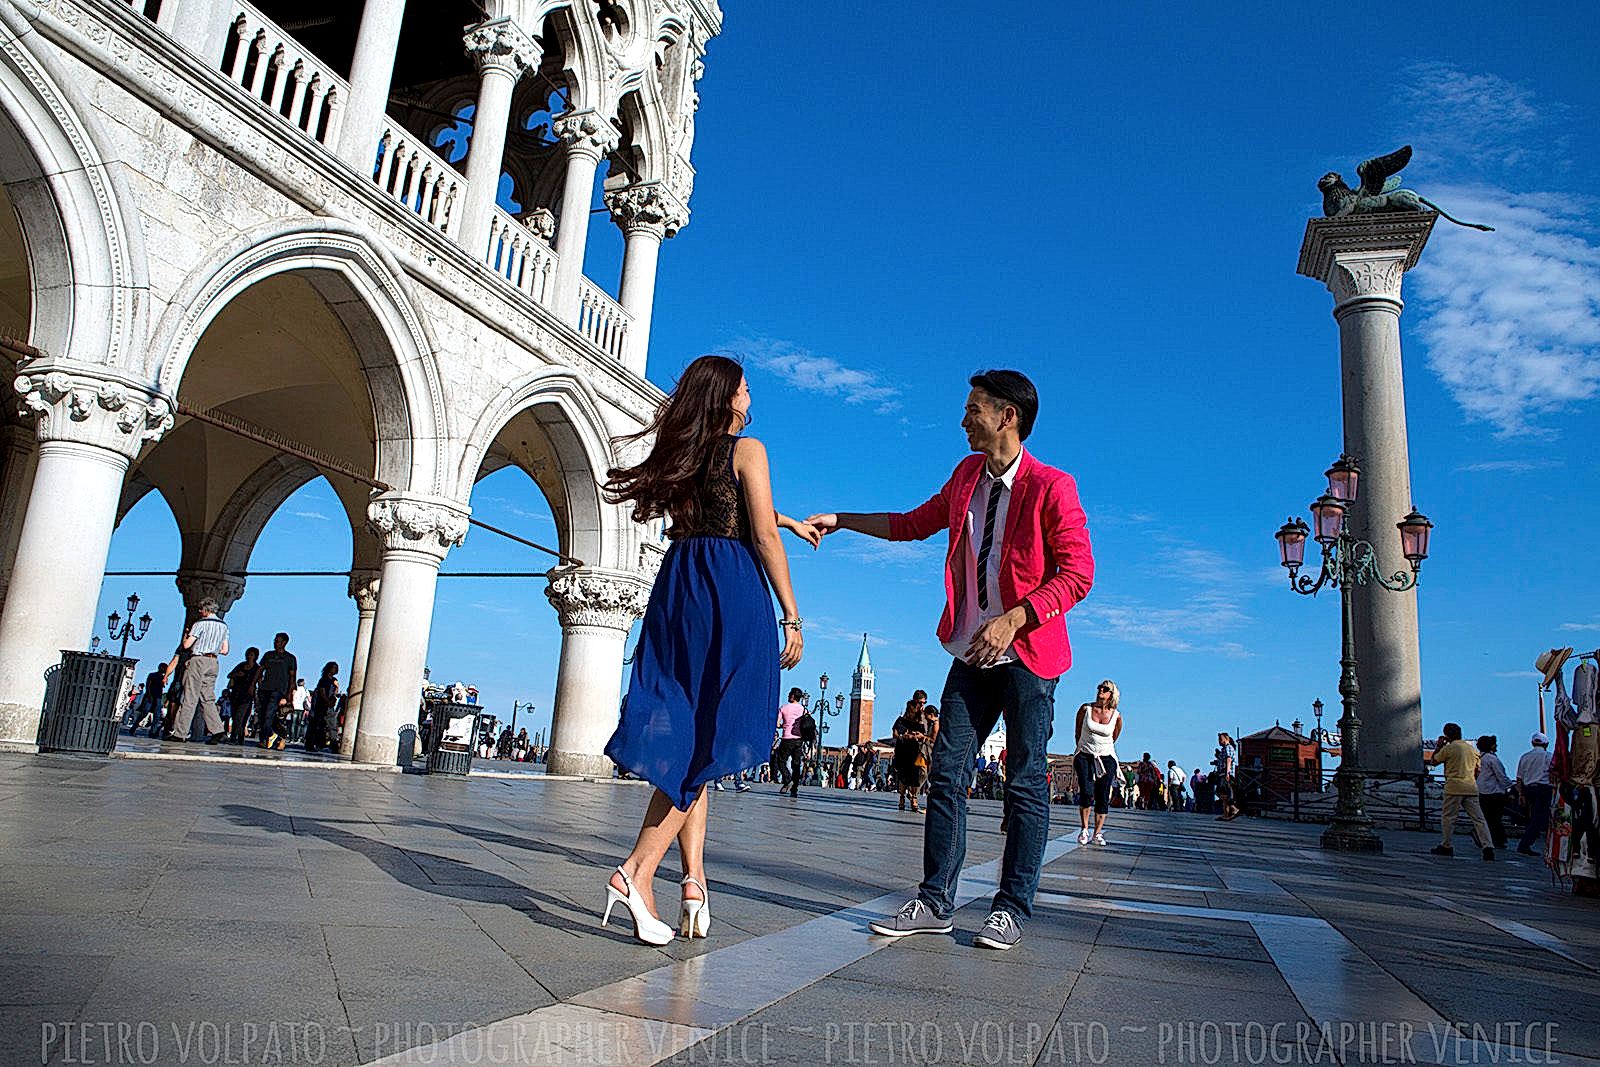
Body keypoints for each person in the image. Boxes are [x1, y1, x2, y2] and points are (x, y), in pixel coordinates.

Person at [812, 368, 1095, 951]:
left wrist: (1015, 618)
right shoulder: (967, 474)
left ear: (1006, 417)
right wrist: (842, 520)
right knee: (946, 773)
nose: (963, 419)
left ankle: (1011, 907)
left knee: (1023, 783)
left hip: (1028, 658)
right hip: (970, 651)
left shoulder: (1052, 487)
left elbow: (1078, 575)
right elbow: (913, 524)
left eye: (974, 409)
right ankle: (935, 900)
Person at [599, 354, 817, 946]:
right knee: (712, 738)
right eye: (746, 388)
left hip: (680, 586)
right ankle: (635, 871)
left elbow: (742, 509)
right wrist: (792, 614)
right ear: (726, 398)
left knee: (693, 732)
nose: (751, 397)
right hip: (730, 586)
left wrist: (787, 519)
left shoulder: (685, 453)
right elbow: (758, 532)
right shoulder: (750, 450)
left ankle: (693, 879)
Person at [165, 598, 229, 744]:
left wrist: (187, 636)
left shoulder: (200, 624)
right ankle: (218, 730)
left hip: (198, 660)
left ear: (206, 610)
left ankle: (180, 733)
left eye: (201, 609)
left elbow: (187, 645)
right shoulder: (223, 626)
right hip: (213, 662)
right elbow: (225, 650)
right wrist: (212, 648)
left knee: (189, 697)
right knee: (208, 698)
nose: (200, 612)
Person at [1429, 723, 1494, 860]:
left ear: (1447, 735)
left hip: (1454, 786)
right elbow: (1478, 770)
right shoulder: (1473, 750)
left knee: (1449, 818)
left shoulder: (1449, 749)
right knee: (1479, 819)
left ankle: (1446, 845)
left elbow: (1434, 761)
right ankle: (1488, 846)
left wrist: (1440, 745)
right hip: (1471, 787)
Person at [1073, 680, 1121, 845]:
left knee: (1103, 794)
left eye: (1105, 688)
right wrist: (1082, 747)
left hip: (1107, 757)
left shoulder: (1116, 715)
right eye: (1099, 687)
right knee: (1086, 791)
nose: (1101, 690)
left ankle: (1097, 833)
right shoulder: (1085, 709)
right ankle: (1084, 829)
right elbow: (1077, 731)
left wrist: (1102, 749)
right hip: (1085, 754)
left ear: (1111, 694)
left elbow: (1114, 736)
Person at [1515, 732, 1553, 856]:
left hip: (1528, 789)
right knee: (1539, 818)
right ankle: (1525, 844)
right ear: (1546, 744)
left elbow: (1519, 778)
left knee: (1533, 817)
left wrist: (1521, 794)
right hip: (1544, 789)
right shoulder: (1548, 757)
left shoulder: (1524, 757)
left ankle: (1528, 840)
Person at [255, 633, 296, 747]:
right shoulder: (268, 655)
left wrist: (289, 695)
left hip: (278, 690)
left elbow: (292, 677)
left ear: (284, 643)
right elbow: (260, 670)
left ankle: (265, 739)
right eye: (275, 641)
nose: (275, 643)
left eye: (278, 641)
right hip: (265, 688)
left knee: (270, 713)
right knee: (262, 715)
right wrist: (255, 684)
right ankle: (272, 735)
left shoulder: (290, 658)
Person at [892, 700, 933, 812]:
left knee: (917, 775)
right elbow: (895, 733)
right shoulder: (901, 720)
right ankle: (902, 798)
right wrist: (905, 736)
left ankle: (913, 796)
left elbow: (927, 734)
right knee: (903, 775)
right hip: (903, 750)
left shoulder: (921, 721)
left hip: (916, 751)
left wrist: (919, 736)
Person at [1475, 735, 1511, 850]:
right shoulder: (1492, 759)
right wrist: (1510, 787)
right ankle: (1497, 840)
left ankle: (1486, 838)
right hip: (1494, 792)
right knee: (1495, 818)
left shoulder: (1479, 758)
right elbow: (1501, 775)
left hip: (1481, 791)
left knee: (1487, 817)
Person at [773, 688, 807, 797]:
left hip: (787, 738)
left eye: (789, 694)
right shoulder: (803, 710)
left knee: (781, 761)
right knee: (796, 764)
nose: (788, 696)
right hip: (798, 740)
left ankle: (787, 779)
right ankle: (794, 789)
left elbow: (777, 724)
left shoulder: (783, 708)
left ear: (792, 696)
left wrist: (784, 725)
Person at [223, 647, 261, 744]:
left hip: (247, 695)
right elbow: (229, 675)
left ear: (255, 656)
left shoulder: (257, 668)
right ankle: (239, 737)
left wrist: (257, 697)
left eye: (251, 655)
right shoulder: (241, 665)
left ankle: (235, 737)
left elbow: (259, 682)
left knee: (240, 717)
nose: (249, 656)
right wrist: (236, 674)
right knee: (235, 716)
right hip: (236, 693)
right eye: (248, 654)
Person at [305, 662, 339, 753]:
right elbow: (322, 691)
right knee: (315, 724)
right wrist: (327, 701)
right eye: (333, 667)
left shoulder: (334, 680)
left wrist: (336, 688)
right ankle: (310, 743)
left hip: (328, 705)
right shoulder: (324, 680)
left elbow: (335, 693)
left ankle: (331, 743)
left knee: (330, 724)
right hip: (320, 705)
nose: (335, 669)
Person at [129, 663, 168, 736]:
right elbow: (148, 685)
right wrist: (149, 695)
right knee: (144, 713)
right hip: (150, 696)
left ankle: (152, 732)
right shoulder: (152, 675)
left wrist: (165, 679)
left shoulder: (163, 677)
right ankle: (134, 727)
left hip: (158, 697)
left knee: (157, 715)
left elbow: (164, 686)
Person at [1213, 733, 1239, 821]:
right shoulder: (1224, 749)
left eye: (1220, 739)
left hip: (1225, 774)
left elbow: (1229, 760)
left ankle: (1232, 808)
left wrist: (1227, 773)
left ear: (1225, 739)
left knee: (1224, 793)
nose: (1219, 742)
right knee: (1223, 793)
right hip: (1222, 773)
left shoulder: (1228, 748)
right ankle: (1226, 813)